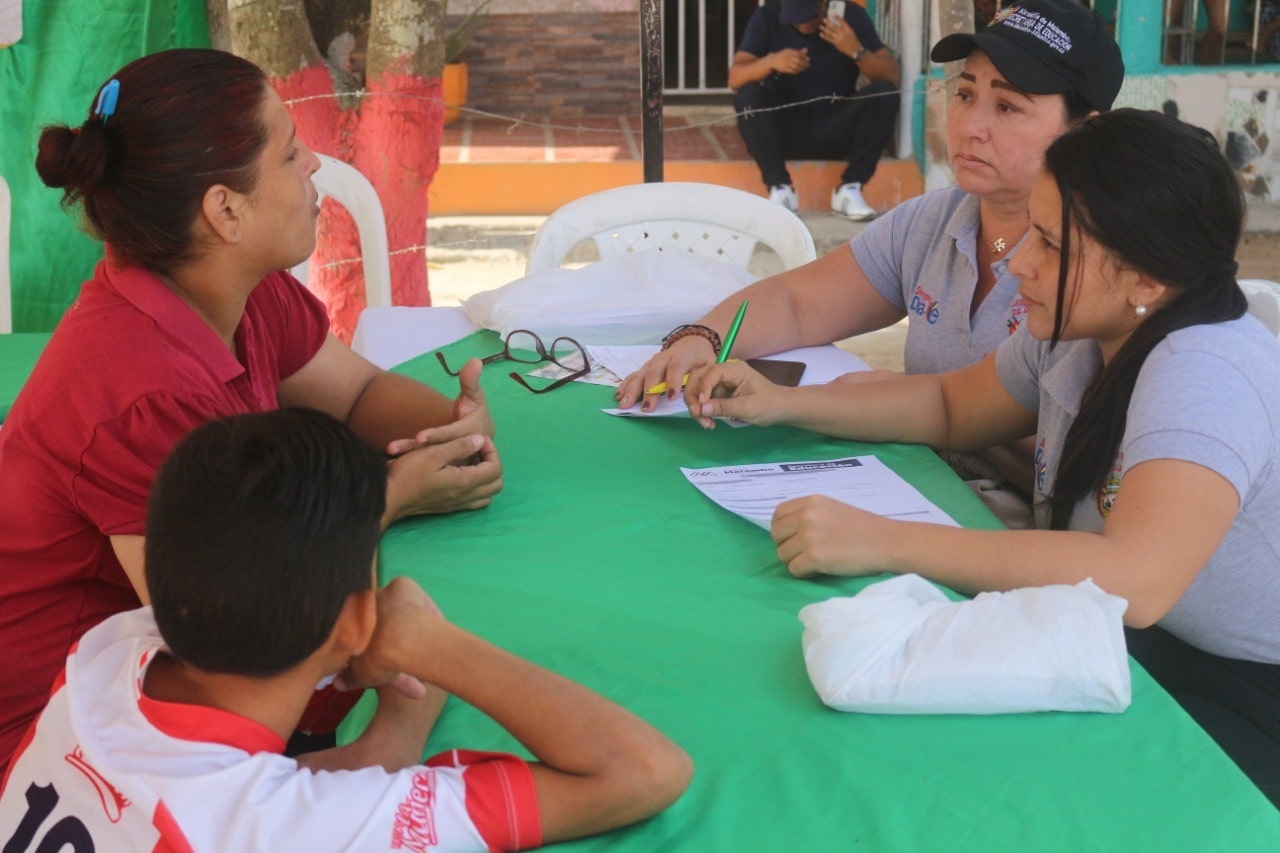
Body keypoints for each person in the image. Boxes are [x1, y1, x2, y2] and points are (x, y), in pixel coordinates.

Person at [681, 109, 1280, 806]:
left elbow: (1135, 579)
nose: (1019, 261)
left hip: (1239, 689)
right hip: (1118, 639)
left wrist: (881, 540)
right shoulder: (1081, 330)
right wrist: (784, 403)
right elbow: (951, 406)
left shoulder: (1205, 372)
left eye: (1050, 244)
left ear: (1145, 280)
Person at [0, 48, 503, 773]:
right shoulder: (146, 393)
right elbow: (236, 645)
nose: (316, 166)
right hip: (51, 744)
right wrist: (388, 494)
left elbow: (357, 395)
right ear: (225, 211)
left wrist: (450, 428)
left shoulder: (236, 287)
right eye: (292, 154)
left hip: (152, 685)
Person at [0, 408, 693, 849]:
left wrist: (394, 727)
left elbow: (265, 806)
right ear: (358, 619)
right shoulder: (289, 829)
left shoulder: (106, 653)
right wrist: (432, 646)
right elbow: (646, 771)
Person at [620, 0, 1123, 525]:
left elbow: (1085, 477)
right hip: (916, 488)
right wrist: (702, 338)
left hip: (1019, 536)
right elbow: (798, 303)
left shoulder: (1106, 267)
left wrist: (920, 405)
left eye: (1008, 107)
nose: (971, 126)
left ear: (1083, 132)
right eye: (965, 94)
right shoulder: (932, 221)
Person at [730, 0, 901, 219]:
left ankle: (849, 190)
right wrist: (771, 62)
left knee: (885, 94)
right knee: (748, 96)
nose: (803, 25)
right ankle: (781, 190)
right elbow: (735, 78)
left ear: (825, 4)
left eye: (809, 17)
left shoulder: (850, 16)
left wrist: (856, 50)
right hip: (786, 132)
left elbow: (891, 75)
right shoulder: (767, 16)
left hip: (836, 127)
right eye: (795, 19)